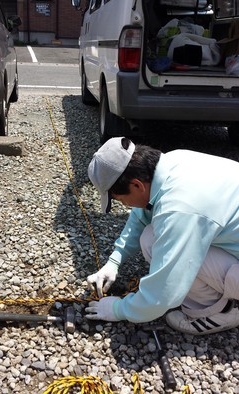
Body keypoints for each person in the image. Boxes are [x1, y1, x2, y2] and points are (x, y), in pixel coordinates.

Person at [85, 136, 239, 335]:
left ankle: (217, 312)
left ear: (137, 185)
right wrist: (114, 260)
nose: (125, 206)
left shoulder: (180, 208)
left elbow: (165, 291)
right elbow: (141, 216)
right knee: (151, 236)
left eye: (121, 199)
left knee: (158, 244)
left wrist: (120, 309)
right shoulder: (172, 162)